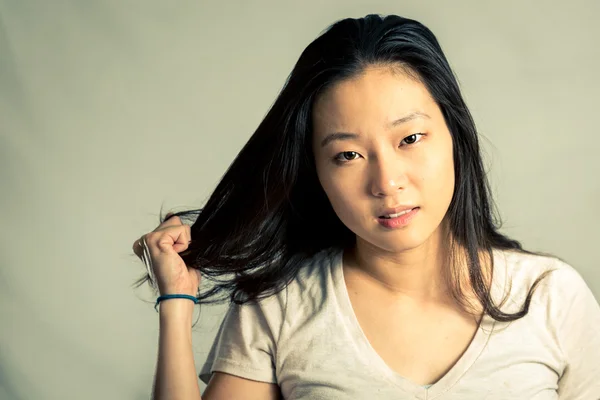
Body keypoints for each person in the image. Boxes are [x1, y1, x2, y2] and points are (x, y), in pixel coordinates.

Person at [132, 14, 600, 400]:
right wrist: (175, 303)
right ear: (316, 172)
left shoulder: (550, 296)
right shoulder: (280, 305)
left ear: (456, 136)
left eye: (410, 139)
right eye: (348, 155)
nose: (387, 182)